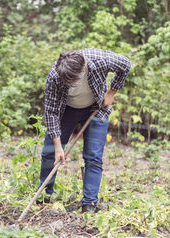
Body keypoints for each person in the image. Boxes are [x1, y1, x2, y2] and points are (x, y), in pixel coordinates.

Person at [39, 48, 131, 213]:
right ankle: (45, 195)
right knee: (49, 152)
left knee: (93, 156)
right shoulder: (55, 75)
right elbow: (51, 112)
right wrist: (59, 147)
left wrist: (111, 92)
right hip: (66, 111)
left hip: (96, 108)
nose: (70, 84)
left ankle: (89, 204)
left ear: (84, 69)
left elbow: (125, 64)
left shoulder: (99, 59)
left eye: (73, 81)